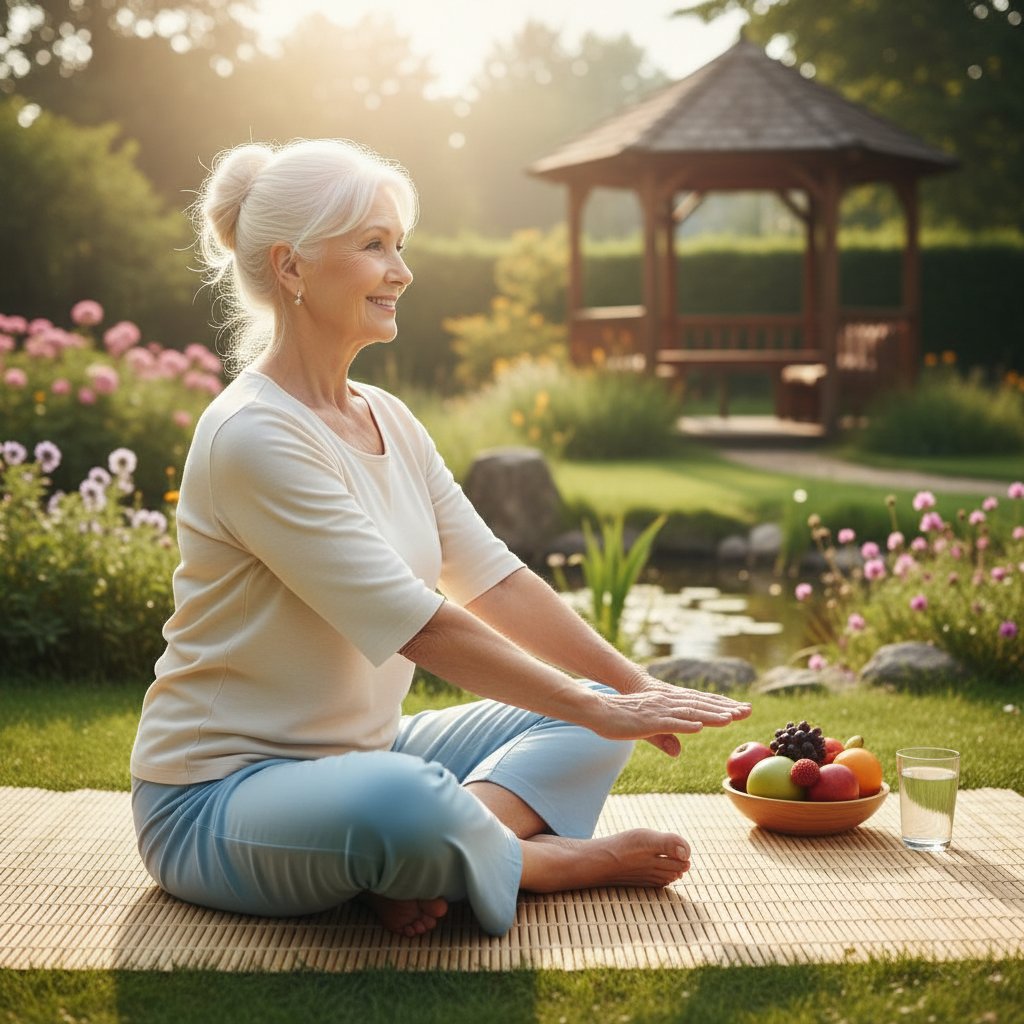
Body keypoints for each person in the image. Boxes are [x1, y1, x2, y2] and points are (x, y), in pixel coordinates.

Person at [129, 138, 751, 939]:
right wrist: (607, 713)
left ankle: (431, 857)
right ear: (291, 268)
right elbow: (420, 624)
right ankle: (537, 860)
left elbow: (493, 580)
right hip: (216, 797)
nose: (403, 270)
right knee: (403, 801)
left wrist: (635, 695)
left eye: (400, 245)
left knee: (586, 710)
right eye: (373, 246)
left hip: (369, 752)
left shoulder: (388, 417)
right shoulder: (254, 436)